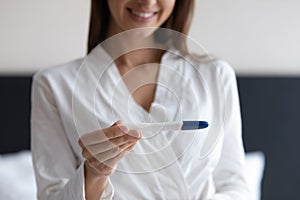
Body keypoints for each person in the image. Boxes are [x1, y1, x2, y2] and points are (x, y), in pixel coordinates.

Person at [31, 0, 250, 199]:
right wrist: (95, 173)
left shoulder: (215, 75)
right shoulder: (55, 85)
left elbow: (235, 187)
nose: (147, 2)